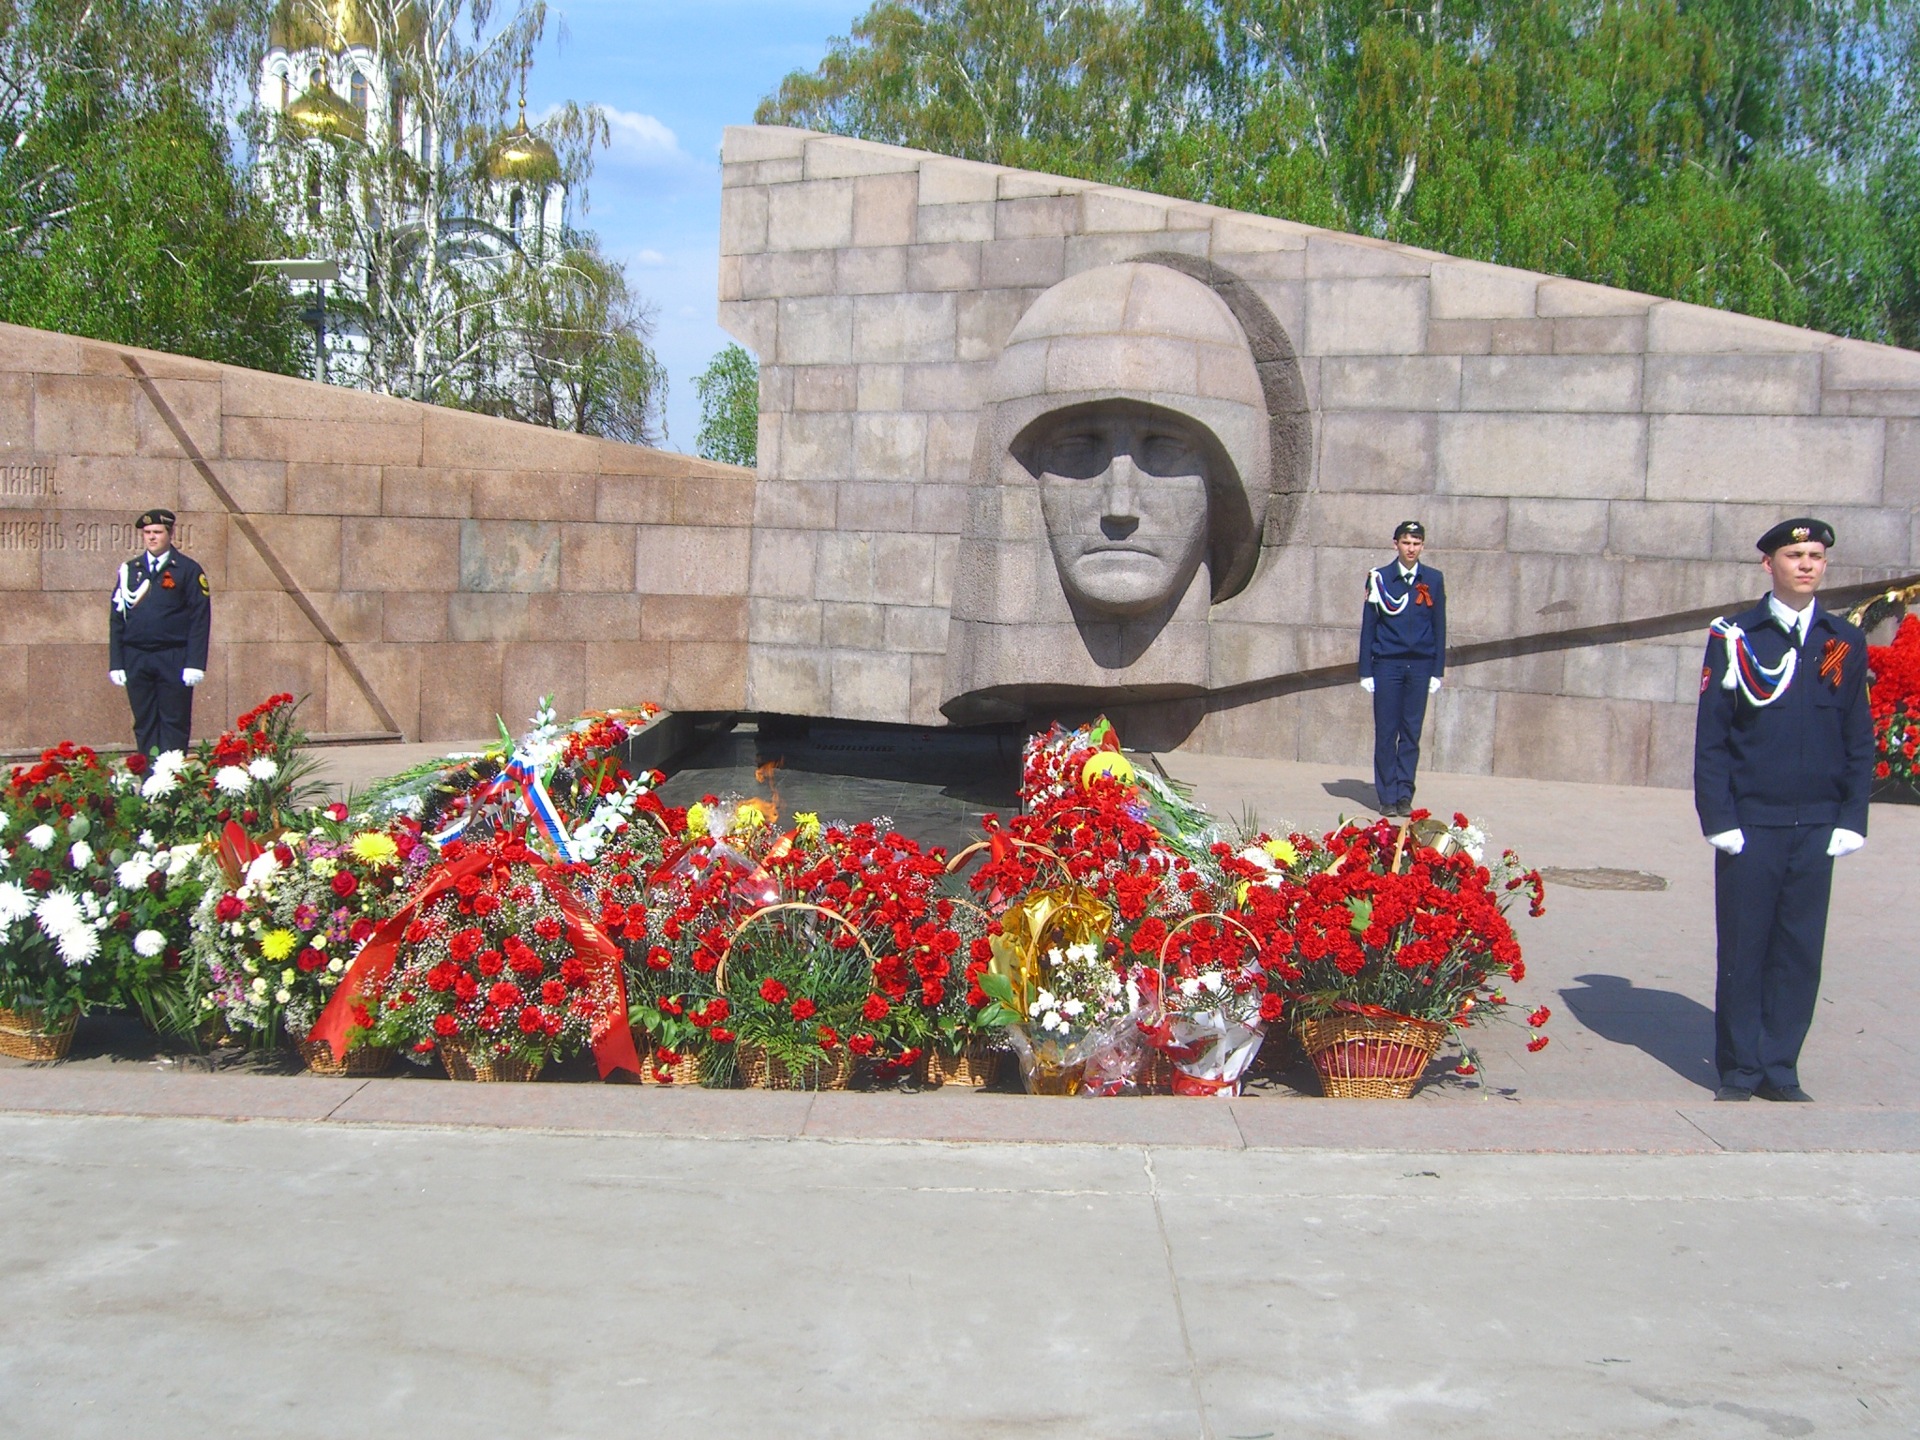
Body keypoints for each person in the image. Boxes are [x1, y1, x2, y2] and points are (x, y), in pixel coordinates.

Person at [1693, 517, 1872, 1103]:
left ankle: (1780, 1067)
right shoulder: (1736, 637)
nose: (1806, 564)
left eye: (1815, 555)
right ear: (1767, 564)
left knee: (1799, 952)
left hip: (1817, 823)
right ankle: (1741, 1069)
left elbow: (1857, 733)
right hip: (1752, 823)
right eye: (1794, 554)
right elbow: (1713, 737)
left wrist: (1852, 817)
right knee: (1745, 949)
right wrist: (1718, 818)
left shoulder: (1842, 640)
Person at [1358, 520, 1446, 817]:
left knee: (1411, 733)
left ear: (1423, 546)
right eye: (1406, 542)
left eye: (1417, 543)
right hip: (1388, 664)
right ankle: (1386, 795)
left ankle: (1404, 793)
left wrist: (1437, 670)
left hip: (1420, 664)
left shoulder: (1432, 579)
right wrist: (1365, 670)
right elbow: (1369, 625)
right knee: (1386, 732)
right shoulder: (1380, 579)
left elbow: (1439, 625)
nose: (1411, 548)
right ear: (1395, 543)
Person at [108, 508, 212, 755]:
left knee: (174, 722)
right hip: (137, 657)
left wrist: (195, 663)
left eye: (157, 532)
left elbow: (200, 618)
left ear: (170, 533)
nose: (151, 537)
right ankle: (149, 782)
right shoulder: (130, 570)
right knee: (144, 723)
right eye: (147, 533)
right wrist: (117, 662)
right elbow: (117, 619)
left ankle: (172, 784)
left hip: (172, 657)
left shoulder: (187, 569)